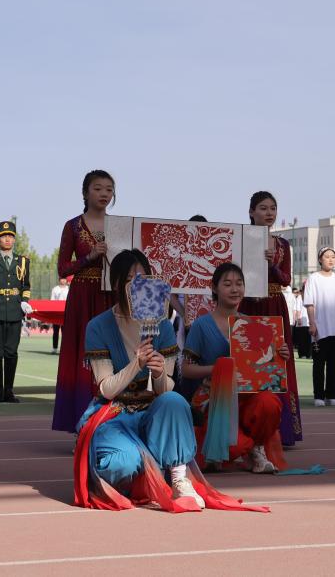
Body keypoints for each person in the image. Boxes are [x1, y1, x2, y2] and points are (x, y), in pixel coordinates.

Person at [73, 250, 266, 512]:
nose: (137, 285)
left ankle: (178, 477)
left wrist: (157, 374)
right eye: (129, 279)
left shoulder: (162, 325)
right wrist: (136, 364)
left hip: (153, 412)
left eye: (143, 278)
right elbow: (106, 389)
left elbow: (166, 389)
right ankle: (146, 467)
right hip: (115, 414)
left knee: (174, 401)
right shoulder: (98, 326)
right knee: (123, 464)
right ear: (115, 283)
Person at [183, 263, 286, 473]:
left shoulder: (253, 324)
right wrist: (217, 369)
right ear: (214, 288)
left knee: (269, 403)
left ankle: (256, 449)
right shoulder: (201, 325)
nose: (234, 289)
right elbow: (185, 369)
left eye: (239, 284)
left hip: (247, 398)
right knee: (233, 449)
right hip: (215, 401)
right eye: (227, 284)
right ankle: (240, 447)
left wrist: (279, 355)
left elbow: (264, 368)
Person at [53, 170, 116, 432]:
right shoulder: (72, 226)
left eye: (109, 189)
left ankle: (109, 424)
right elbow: (62, 268)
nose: (104, 194)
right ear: (85, 193)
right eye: (98, 188)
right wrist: (89, 257)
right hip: (82, 298)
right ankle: (81, 426)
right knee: (82, 357)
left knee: (112, 355)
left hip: (112, 296)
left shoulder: (120, 225)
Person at [239, 191, 302, 443]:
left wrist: (271, 265)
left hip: (275, 305)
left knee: (279, 359)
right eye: (263, 208)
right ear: (251, 212)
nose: (269, 213)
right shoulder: (240, 239)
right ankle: (247, 426)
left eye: (272, 208)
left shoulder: (282, 244)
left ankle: (282, 430)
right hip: (247, 305)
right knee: (248, 361)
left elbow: (286, 280)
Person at [0, 221, 32, 403]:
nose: (7, 239)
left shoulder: (23, 261)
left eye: (10, 236)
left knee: (11, 352)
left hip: (15, 311)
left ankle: (9, 391)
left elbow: (26, 285)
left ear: (14, 239)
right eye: (4, 237)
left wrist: (24, 302)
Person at [303, 247, 335, 407]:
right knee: (319, 363)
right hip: (320, 327)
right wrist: (312, 323)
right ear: (320, 259)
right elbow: (310, 303)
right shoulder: (313, 278)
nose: (330, 259)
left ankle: (332, 395)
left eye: (333, 257)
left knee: (334, 363)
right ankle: (319, 396)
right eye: (327, 256)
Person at [50, 276, 70, 354]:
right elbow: (52, 301)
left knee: (65, 332)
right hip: (56, 313)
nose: (63, 280)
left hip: (66, 313)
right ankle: (54, 348)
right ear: (59, 280)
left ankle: (64, 349)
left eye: (65, 279)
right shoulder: (55, 289)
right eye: (62, 279)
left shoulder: (69, 289)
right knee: (55, 331)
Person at [291, 287, 312, 359]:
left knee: (309, 340)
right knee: (301, 340)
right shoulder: (299, 297)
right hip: (302, 322)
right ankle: (302, 354)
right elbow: (298, 309)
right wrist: (299, 318)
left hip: (309, 322)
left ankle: (309, 354)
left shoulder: (311, 296)